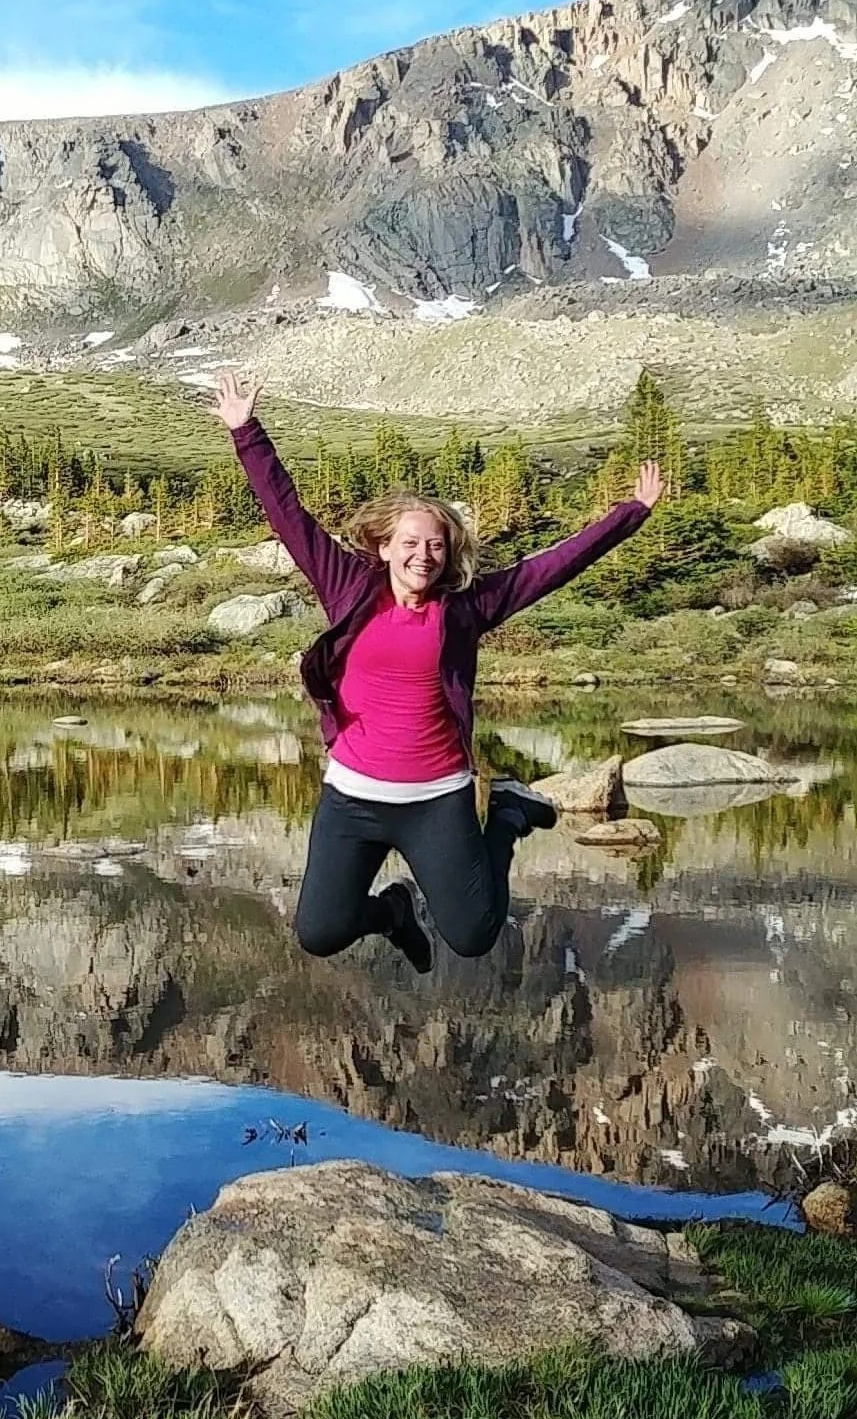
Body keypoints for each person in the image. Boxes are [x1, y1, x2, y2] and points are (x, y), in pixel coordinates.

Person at [208, 369, 662, 972]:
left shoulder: (467, 607)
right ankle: (394, 914)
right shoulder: (346, 586)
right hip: (353, 796)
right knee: (320, 931)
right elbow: (289, 515)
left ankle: (506, 814)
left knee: (473, 936)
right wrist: (247, 432)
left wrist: (630, 514)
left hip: (436, 799)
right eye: (411, 543)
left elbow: (551, 567)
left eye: (437, 546)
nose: (424, 555)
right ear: (385, 547)